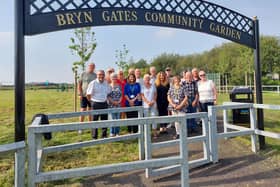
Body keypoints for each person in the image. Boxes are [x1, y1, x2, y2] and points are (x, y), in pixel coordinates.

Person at [86, 70, 111, 139]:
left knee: (104, 120)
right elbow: (88, 94)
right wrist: (91, 102)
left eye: (103, 74)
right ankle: (94, 136)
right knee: (95, 120)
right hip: (95, 103)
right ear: (97, 75)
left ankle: (104, 135)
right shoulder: (93, 83)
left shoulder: (106, 83)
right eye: (100, 74)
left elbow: (109, 91)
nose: (101, 76)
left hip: (104, 103)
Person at [77, 63, 96, 134]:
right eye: (91, 66)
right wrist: (80, 94)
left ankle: (91, 126)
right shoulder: (83, 74)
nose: (92, 67)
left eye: (93, 67)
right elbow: (79, 84)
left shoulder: (95, 75)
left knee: (90, 111)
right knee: (83, 111)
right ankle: (80, 127)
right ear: (88, 67)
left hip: (92, 96)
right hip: (84, 95)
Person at [141, 74, 158, 138]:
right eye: (146, 79)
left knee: (154, 118)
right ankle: (147, 133)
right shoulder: (142, 86)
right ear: (144, 80)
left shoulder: (153, 86)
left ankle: (155, 132)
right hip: (145, 105)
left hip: (153, 104)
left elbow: (155, 94)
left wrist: (153, 101)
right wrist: (148, 102)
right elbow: (142, 95)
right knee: (146, 119)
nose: (147, 80)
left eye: (148, 78)